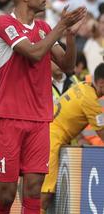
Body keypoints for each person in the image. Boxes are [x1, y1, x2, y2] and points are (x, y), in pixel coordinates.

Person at [0, 0, 86, 214]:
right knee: (6, 194)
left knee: (34, 190)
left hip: (40, 119)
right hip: (9, 118)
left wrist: (70, 36)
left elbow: (66, 66)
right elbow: (33, 52)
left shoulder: (44, 28)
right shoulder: (4, 23)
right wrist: (60, 26)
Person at [40, 63, 104, 212]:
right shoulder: (90, 101)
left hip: (44, 134)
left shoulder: (81, 86)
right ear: (101, 83)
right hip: (51, 141)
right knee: (45, 194)